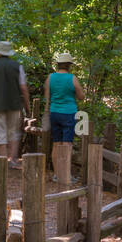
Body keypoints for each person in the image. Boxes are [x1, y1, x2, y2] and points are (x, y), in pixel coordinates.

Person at [0, 41, 30, 169]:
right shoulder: (17, 66)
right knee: (13, 133)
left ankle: (2, 162)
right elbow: (23, 88)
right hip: (14, 104)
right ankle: (13, 160)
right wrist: (27, 105)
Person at [44, 52, 84, 185]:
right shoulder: (72, 78)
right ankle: (66, 175)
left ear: (58, 64)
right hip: (68, 113)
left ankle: (56, 174)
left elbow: (47, 97)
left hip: (54, 112)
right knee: (67, 144)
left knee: (56, 144)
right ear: (69, 65)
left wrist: (47, 110)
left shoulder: (50, 77)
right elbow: (81, 96)